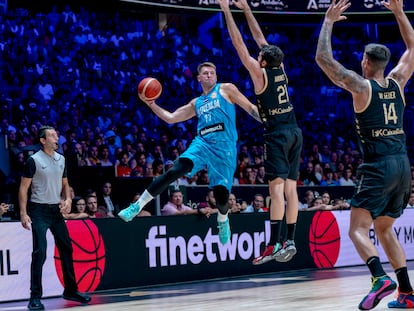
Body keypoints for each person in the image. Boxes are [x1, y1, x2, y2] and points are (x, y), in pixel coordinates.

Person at [315, 0, 414, 309]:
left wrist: (329, 21)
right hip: (403, 165)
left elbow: (323, 58)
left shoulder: (361, 86)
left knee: (358, 227)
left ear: (366, 62)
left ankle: (378, 276)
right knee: (384, 227)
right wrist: (399, 13)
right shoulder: (398, 82)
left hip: (378, 165)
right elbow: (412, 48)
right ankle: (408, 292)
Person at [118, 61, 261, 245]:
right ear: (199, 78)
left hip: (224, 149)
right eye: (205, 73)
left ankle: (223, 220)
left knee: (221, 196)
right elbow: (171, 118)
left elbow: (250, 107)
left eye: (212, 72)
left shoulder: (226, 89)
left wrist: (267, 119)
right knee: (175, 170)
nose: (209, 75)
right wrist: (151, 104)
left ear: (216, 76)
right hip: (202, 144)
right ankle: (137, 206)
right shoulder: (197, 103)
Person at [219, 0, 303, 263]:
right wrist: (246, 8)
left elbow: (241, 46)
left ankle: (273, 244)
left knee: (276, 191)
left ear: (263, 62)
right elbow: (260, 40)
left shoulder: (260, 74)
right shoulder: (281, 69)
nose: (257, 57)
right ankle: (289, 240)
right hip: (295, 131)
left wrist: (226, 10)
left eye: (260, 57)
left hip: (277, 134)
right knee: (291, 191)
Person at [18, 126, 91, 310]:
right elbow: (23, 188)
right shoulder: (33, 160)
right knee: (40, 252)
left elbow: (65, 183)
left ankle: (71, 290)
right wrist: (23, 212)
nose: (56, 136)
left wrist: (67, 199)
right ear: (43, 141)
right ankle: (34, 297)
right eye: (52, 135)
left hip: (56, 211)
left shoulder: (62, 159)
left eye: (56, 134)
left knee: (66, 248)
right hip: (38, 210)